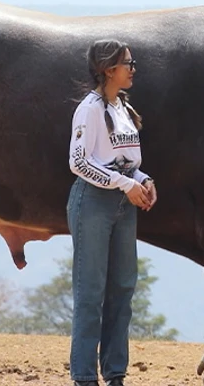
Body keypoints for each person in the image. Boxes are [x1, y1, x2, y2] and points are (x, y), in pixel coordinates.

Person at [66, 38, 157, 386]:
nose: (133, 70)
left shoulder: (122, 108)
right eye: (128, 64)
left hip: (123, 202)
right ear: (108, 69)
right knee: (90, 291)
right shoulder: (89, 109)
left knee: (122, 288)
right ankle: (85, 376)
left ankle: (115, 373)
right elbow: (78, 162)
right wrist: (123, 184)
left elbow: (126, 160)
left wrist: (143, 181)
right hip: (92, 202)